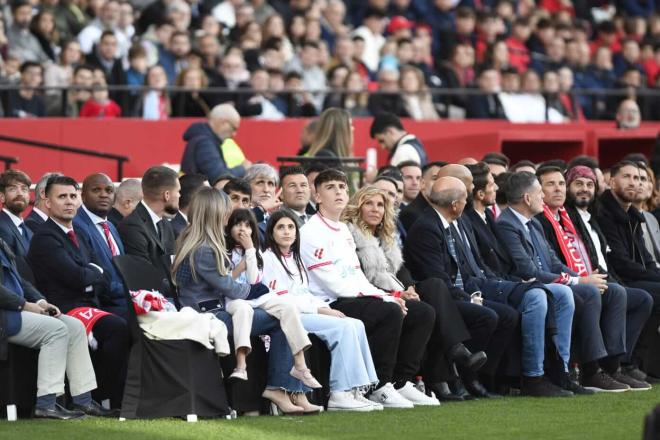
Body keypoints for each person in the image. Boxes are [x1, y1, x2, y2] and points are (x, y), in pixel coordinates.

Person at [405, 176, 574, 398]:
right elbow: (438, 277)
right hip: (445, 295)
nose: (468, 202)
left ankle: (482, 377)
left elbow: (478, 265)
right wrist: (469, 297)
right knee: (492, 315)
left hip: (475, 285)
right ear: (455, 204)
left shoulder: (457, 221)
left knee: (511, 313)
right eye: (465, 197)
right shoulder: (427, 227)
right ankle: (471, 375)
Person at [172, 187, 320, 415]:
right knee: (283, 319)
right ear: (213, 213)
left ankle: (283, 389)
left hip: (213, 309)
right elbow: (230, 287)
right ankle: (280, 389)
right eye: (224, 212)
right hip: (209, 315)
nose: (227, 217)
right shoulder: (204, 249)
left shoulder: (194, 239)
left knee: (283, 318)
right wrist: (256, 289)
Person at [300, 169, 437, 408]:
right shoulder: (311, 232)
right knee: (389, 312)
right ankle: (378, 385)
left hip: (352, 296)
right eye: (331, 187)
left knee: (422, 312)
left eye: (342, 187)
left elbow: (355, 275)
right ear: (318, 196)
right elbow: (332, 283)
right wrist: (383, 300)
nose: (339, 192)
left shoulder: (342, 229)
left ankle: (400, 381)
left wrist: (388, 295)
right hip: (328, 302)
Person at [344, 186, 490, 400]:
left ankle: (443, 362)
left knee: (434, 286)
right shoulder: (350, 235)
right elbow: (360, 279)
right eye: (369, 204)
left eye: (380, 205)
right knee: (424, 310)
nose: (375, 209)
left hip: (395, 288)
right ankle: (451, 358)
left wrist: (409, 287)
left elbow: (401, 269)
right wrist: (396, 295)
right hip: (368, 294)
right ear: (358, 207)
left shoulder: (386, 237)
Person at [496, 171, 630, 393]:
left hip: (548, 283)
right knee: (578, 293)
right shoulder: (506, 225)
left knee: (609, 291)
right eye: (540, 192)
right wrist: (579, 281)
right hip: (525, 286)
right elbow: (527, 270)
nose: (543, 198)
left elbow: (554, 262)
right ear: (527, 199)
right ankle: (571, 370)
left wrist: (582, 277)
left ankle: (591, 369)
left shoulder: (534, 223)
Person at [535, 166, 649, 390]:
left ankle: (614, 366)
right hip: (561, 283)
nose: (558, 189)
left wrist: (588, 278)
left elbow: (591, 256)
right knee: (594, 292)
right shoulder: (541, 220)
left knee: (629, 295)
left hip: (580, 278)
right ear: (538, 191)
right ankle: (592, 369)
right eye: (551, 184)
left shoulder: (569, 218)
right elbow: (552, 263)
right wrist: (582, 279)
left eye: (560, 184)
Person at [27, 175, 129, 409]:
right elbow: (78, 278)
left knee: (129, 323)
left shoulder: (80, 234)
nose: (69, 202)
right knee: (117, 329)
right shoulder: (45, 238)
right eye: (62, 197)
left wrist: (89, 276)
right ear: (47, 202)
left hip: (90, 304)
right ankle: (97, 396)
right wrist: (90, 275)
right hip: (65, 308)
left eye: (73, 196)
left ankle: (109, 398)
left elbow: (99, 274)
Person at [262, 210, 381, 411]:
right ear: (271, 232)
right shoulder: (267, 259)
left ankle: (357, 390)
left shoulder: (295, 259)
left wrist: (323, 307)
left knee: (355, 323)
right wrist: (321, 310)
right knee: (342, 328)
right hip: (291, 317)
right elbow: (283, 299)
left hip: (308, 311)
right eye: (280, 227)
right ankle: (339, 393)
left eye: (291, 227)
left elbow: (305, 293)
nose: (287, 232)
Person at [1, 238, 112, 419]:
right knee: (56, 330)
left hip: (15, 310)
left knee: (75, 326)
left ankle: (83, 401)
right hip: (6, 315)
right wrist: (25, 305)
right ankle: (46, 404)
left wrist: (41, 302)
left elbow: (19, 281)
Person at [564, 165, 654, 385]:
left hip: (607, 279)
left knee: (642, 298)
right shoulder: (569, 218)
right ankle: (599, 369)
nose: (584, 189)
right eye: (579, 184)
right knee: (618, 293)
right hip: (584, 281)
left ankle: (620, 364)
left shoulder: (592, 218)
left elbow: (607, 259)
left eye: (589, 184)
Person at [224, 208, 321, 390]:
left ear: (253, 230)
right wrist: (242, 263)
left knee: (287, 306)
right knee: (243, 310)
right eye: (238, 224)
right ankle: (241, 364)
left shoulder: (255, 251)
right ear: (230, 228)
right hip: (234, 298)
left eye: (247, 225)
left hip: (255, 295)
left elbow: (253, 280)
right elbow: (227, 282)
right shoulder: (225, 251)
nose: (243, 229)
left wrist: (250, 251)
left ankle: (300, 365)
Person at [596, 161, 660, 378]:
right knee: (651, 296)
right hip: (617, 279)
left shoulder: (632, 214)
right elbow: (621, 262)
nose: (634, 183)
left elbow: (646, 258)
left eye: (639, 178)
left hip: (632, 277)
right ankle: (628, 362)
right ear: (612, 181)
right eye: (628, 177)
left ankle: (639, 363)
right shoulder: (603, 212)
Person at [118, 166, 180, 294]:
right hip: (152, 300)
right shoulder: (132, 226)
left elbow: (172, 264)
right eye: (178, 191)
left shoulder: (165, 224)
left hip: (172, 295)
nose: (180, 195)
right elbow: (144, 274)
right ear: (167, 195)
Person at [73, 173, 127, 318]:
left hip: (123, 297)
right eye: (96, 190)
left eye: (109, 191)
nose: (104, 195)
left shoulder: (110, 226)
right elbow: (93, 276)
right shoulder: (76, 225)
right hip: (102, 303)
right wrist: (131, 291)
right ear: (83, 195)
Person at [180, 104, 252, 183]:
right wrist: (243, 168)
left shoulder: (203, 138)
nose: (234, 134)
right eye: (234, 128)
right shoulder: (205, 143)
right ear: (223, 122)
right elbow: (219, 177)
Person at [399, 161, 447, 231]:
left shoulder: (448, 212)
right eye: (435, 179)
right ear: (422, 183)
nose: (415, 183)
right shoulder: (411, 215)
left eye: (444, 179)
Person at [0, 170, 33, 257]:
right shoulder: (1, 227)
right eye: (13, 189)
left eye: (24, 189)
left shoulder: (29, 232)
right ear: (2, 197)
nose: (20, 193)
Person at [171, 174, 206, 239]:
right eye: (208, 194)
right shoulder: (176, 230)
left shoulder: (199, 224)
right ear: (195, 198)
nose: (212, 199)